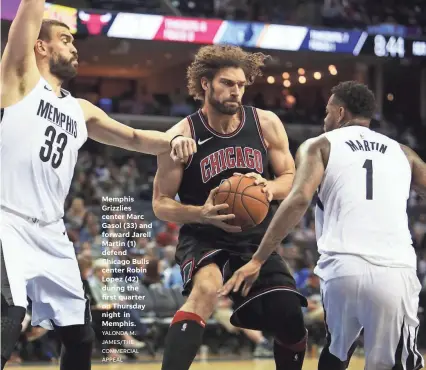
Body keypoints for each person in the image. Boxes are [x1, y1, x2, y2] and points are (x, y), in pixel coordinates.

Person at [0, 1, 195, 369]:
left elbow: (136, 137)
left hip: (52, 232)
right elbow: (26, 17)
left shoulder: (82, 110)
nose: (74, 48)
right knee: (8, 318)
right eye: (65, 39)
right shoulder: (18, 79)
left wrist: (174, 141)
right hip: (6, 220)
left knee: (80, 335)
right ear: (40, 46)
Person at [220, 81, 426, 370]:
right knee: (397, 363)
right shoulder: (403, 153)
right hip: (394, 270)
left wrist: (258, 259)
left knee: (338, 350)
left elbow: (298, 200)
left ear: (340, 113)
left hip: (342, 269)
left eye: (328, 111)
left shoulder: (320, 145)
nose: (324, 118)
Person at [153, 44, 308, 370]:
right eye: (227, 83)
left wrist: (267, 187)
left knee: (290, 316)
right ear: (205, 83)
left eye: (240, 85)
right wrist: (200, 213)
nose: (235, 91)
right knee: (205, 290)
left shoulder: (265, 123)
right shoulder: (181, 135)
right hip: (204, 234)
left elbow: (289, 178)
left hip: (256, 236)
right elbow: (160, 204)